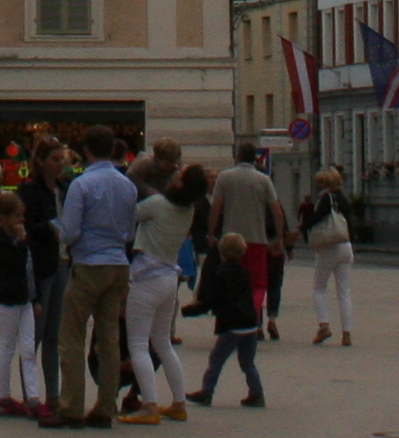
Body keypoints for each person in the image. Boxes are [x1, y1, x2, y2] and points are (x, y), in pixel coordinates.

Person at [47, 126, 136, 428]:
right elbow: (130, 231)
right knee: (108, 337)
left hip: (88, 263)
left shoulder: (82, 185)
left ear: (86, 150)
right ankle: (105, 406)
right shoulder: (127, 185)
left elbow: (70, 231)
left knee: (71, 335)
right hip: (118, 263)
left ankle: (71, 406)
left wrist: (59, 231)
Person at [120, 162, 205, 423]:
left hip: (146, 277)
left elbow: (128, 216)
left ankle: (150, 406)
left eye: (178, 174)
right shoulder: (188, 209)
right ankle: (178, 402)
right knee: (163, 344)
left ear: (180, 183)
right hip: (169, 277)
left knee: (137, 344)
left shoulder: (157, 203)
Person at [208, 142, 290, 339]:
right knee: (257, 283)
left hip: (230, 240)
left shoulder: (224, 177)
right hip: (256, 240)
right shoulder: (263, 180)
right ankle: (253, 320)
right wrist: (279, 237)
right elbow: (276, 210)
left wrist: (211, 233)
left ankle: (230, 321)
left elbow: (216, 207)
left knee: (229, 281)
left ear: (237, 156)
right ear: (255, 158)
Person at [186, 230, 266, 408]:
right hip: (250, 324)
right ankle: (257, 393)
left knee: (217, 359)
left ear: (221, 252)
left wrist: (192, 310)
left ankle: (207, 391)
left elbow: (213, 300)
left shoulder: (220, 274)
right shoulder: (245, 273)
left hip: (232, 325)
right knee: (247, 362)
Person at [19, 140, 70, 412]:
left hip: (63, 262)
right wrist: (47, 227)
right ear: (40, 161)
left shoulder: (65, 189)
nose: (59, 164)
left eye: (61, 159)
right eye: (54, 159)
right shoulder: (30, 190)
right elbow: (24, 227)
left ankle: (53, 394)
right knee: (35, 334)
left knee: (55, 334)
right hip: (41, 265)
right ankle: (31, 394)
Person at [0, 193, 46, 420]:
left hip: (26, 300)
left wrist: (36, 298)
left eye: (22, 217)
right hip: (9, 299)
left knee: (29, 349)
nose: (20, 222)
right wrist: (22, 244)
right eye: (16, 217)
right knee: (7, 347)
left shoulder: (24, 239)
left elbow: (33, 271)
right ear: (2, 219)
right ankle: (4, 397)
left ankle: (33, 397)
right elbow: (14, 265)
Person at [295, 164, 355, 346]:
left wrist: (300, 229)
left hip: (329, 247)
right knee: (343, 292)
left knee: (319, 288)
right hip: (346, 246)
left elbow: (317, 218)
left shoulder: (326, 198)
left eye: (320, 181)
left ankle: (324, 325)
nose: (317, 185)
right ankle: (347, 333)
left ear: (327, 182)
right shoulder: (344, 199)